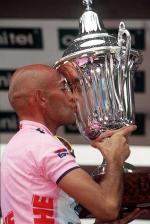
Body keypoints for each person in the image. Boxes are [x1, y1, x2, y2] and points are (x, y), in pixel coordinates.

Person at [1, 64, 143, 224]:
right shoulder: (41, 144)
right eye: (64, 89)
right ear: (41, 98)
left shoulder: (21, 144)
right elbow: (108, 208)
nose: (72, 97)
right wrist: (114, 158)